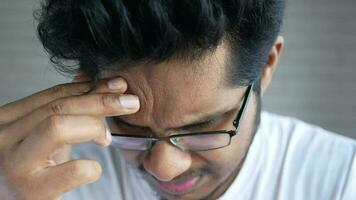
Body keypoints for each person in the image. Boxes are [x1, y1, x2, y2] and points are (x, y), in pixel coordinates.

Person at [0, 0, 355, 199]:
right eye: (128, 125)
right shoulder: (44, 179)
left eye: (203, 126)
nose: (163, 168)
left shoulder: (342, 180)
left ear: (267, 66)